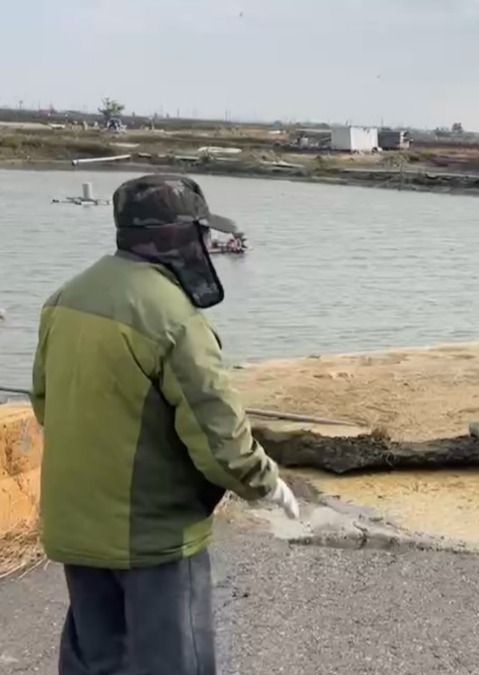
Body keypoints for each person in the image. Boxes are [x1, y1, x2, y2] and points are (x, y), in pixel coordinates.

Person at [31, 174, 299, 675]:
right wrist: (266, 485)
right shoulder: (174, 318)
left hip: (75, 526)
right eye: (200, 233)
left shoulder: (64, 299)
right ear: (178, 237)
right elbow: (220, 439)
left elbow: (45, 404)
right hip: (151, 534)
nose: (206, 245)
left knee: (96, 661)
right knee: (172, 664)